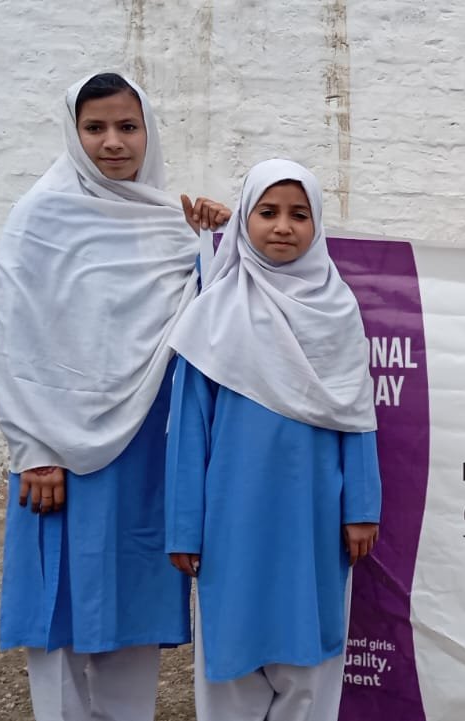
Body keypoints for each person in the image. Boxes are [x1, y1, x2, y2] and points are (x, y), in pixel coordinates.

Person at [0, 72, 227, 721]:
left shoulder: (169, 221)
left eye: (127, 126)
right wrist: (34, 449)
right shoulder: (39, 217)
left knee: (132, 597)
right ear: (73, 134)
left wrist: (221, 239)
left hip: (142, 438)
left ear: (149, 132)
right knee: (58, 612)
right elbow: (15, 339)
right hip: (53, 453)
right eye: (94, 128)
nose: (112, 142)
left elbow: (221, 312)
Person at [165, 159, 381, 721]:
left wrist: (361, 507)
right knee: (232, 644)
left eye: (298, 215)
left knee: (309, 652)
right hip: (231, 515)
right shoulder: (215, 310)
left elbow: (356, 413)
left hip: (313, 514)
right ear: (244, 219)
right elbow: (189, 428)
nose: (283, 227)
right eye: (267, 212)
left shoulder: (337, 311)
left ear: (317, 225)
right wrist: (183, 526)